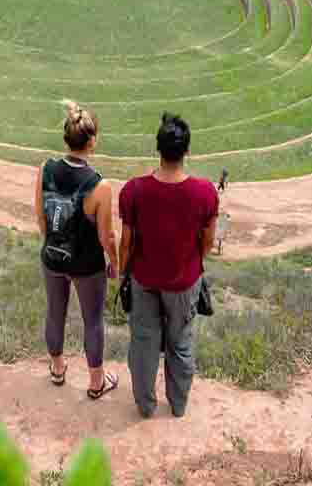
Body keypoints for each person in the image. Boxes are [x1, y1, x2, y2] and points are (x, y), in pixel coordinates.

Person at [119, 113, 218, 419]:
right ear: (187, 151)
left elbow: (126, 242)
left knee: (144, 346)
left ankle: (145, 407)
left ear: (157, 149)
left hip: (144, 278)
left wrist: (123, 273)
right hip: (184, 282)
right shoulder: (205, 193)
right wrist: (193, 262)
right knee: (180, 343)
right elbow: (208, 241)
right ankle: (178, 405)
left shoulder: (134, 190)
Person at [35, 101, 120, 400]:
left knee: (54, 313)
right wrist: (114, 263)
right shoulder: (100, 186)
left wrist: (53, 245)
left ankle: (57, 369)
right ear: (92, 141)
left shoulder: (45, 168)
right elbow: (107, 236)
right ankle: (96, 383)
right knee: (93, 321)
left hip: (52, 256)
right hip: (87, 265)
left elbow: (41, 217)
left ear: (65, 139)